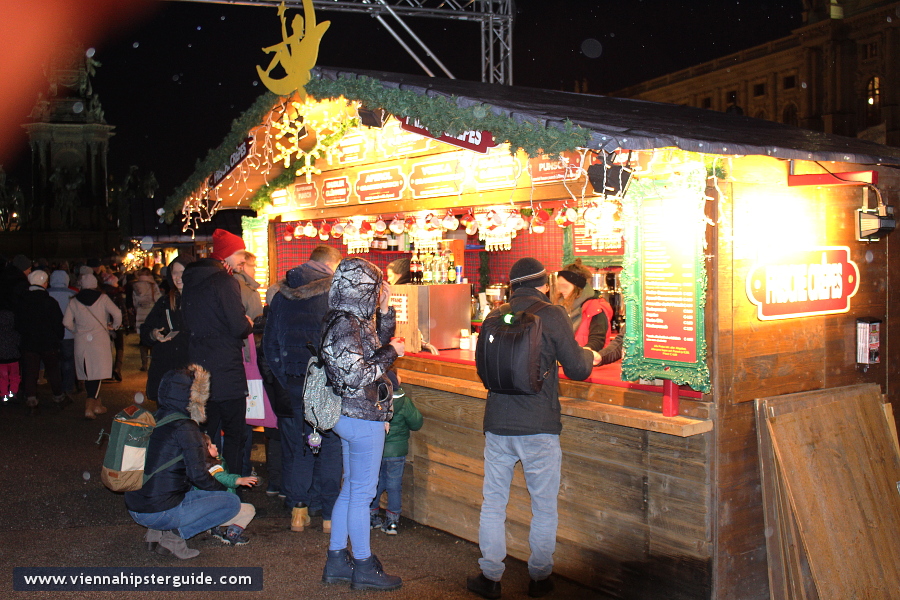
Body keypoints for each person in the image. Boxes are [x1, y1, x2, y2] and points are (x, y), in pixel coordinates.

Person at [467, 257, 594, 600]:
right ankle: (539, 578)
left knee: (493, 503)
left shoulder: (494, 315)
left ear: (512, 286)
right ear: (544, 284)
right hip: (539, 425)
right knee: (543, 505)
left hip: (498, 424)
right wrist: (591, 353)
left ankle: (490, 577)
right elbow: (579, 369)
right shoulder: (552, 314)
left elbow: (482, 369)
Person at [320, 257, 405, 591]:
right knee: (362, 494)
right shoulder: (346, 323)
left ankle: (338, 560)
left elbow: (371, 347)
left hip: (351, 414)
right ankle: (365, 566)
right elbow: (359, 373)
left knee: (352, 488)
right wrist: (393, 352)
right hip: (361, 414)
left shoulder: (344, 317)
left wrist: (384, 311)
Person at [264, 245, 343, 534]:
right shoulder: (332, 294)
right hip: (326, 383)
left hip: (296, 382)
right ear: (331, 266)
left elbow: (269, 345)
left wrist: (287, 379)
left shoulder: (280, 295)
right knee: (330, 445)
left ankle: (298, 511)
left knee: (302, 445)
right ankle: (329, 517)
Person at [125, 365, 241, 559]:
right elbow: (199, 477)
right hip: (156, 512)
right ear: (193, 397)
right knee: (231, 503)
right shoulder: (186, 428)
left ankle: (155, 533)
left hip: (136, 506)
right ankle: (174, 536)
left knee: (175, 486)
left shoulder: (154, 418)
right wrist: (222, 490)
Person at [182, 229, 253, 479]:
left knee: (206, 433)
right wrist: (248, 323)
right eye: (240, 254)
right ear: (227, 255)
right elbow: (237, 326)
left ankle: (206, 482)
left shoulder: (191, 281)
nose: (242, 260)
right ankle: (232, 486)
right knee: (235, 433)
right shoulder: (224, 281)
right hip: (226, 369)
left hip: (200, 369)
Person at [369, 370, 422, 535]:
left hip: (377, 450)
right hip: (397, 453)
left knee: (375, 483)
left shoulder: (374, 401)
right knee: (394, 486)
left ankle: (372, 516)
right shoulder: (404, 402)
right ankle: (392, 521)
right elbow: (417, 422)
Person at [63, 273, 122, 419]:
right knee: (97, 373)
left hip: (82, 341)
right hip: (99, 340)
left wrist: (76, 330)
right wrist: (114, 326)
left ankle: (97, 404)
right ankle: (89, 406)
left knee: (89, 373)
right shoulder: (103, 298)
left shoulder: (74, 300)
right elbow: (117, 313)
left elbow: (66, 322)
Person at [140, 255, 194, 404]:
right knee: (168, 420)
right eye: (174, 272)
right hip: (167, 372)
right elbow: (145, 331)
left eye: (183, 272)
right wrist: (153, 334)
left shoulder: (201, 301)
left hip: (192, 374)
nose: (178, 277)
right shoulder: (164, 302)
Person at [16, 269, 67, 413]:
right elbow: (57, 323)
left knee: (31, 371)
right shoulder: (49, 302)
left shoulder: (22, 301)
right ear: (44, 283)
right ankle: (58, 396)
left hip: (29, 342)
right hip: (48, 342)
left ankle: (31, 398)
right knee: (53, 370)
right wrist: (58, 337)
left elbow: (18, 323)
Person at [200, 433, 258, 546]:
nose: (215, 445)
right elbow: (223, 478)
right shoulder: (212, 467)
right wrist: (239, 480)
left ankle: (214, 527)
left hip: (205, 510)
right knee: (249, 510)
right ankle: (232, 534)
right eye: (211, 446)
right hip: (215, 511)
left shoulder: (197, 466)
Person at [554, 261, 613, 357]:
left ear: (578, 286)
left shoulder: (596, 307)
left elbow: (597, 341)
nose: (561, 290)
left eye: (565, 286)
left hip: (590, 365)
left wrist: (582, 354)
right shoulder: (561, 306)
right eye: (560, 286)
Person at [47, 270, 77, 394]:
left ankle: (56, 386)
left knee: (54, 361)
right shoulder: (73, 294)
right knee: (68, 361)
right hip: (69, 334)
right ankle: (68, 387)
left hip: (51, 334)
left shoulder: (46, 294)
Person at [132, 267, 161, 372]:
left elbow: (134, 302)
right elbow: (158, 299)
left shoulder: (136, 286)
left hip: (140, 313)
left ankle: (144, 363)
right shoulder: (153, 285)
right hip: (151, 312)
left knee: (143, 340)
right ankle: (153, 362)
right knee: (153, 337)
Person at [0, 305, 20, 402]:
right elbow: (18, 343)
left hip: (1, 359)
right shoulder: (14, 332)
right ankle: (13, 392)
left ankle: (4, 395)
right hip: (14, 358)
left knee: (2, 377)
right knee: (14, 375)